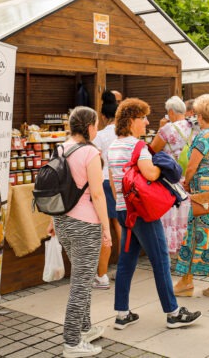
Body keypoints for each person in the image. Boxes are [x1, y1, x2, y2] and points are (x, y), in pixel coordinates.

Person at [108, 98, 201, 330]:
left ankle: (122, 313)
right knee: (160, 260)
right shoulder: (137, 146)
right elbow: (150, 175)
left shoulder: (112, 146)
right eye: (143, 118)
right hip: (142, 213)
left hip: (123, 210)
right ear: (131, 121)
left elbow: (112, 182)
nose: (147, 122)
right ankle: (173, 313)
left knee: (126, 262)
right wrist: (164, 163)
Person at [47, 107, 112, 358]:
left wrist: (54, 219)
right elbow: (97, 194)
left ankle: (84, 328)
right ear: (89, 127)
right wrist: (106, 227)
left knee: (81, 278)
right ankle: (72, 342)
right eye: (95, 124)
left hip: (64, 223)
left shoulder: (61, 148)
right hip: (86, 224)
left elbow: (57, 188)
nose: (97, 128)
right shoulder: (90, 152)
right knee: (82, 285)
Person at [174, 94, 209, 298]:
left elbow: (191, 166)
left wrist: (187, 183)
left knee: (195, 236)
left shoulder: (203, 137)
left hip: (202, 196)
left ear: (200, 115)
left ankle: (186, 282)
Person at [150, 96, 194, 257]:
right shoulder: (193, 126)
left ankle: (171, 250)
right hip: (188, 178)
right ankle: (188, 250)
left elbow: (153, 149)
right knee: (187, 216)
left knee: (172, 216)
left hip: (171, 179)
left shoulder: (167, 129)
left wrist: (161, 127)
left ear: (170, 111)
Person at [91, 91, 122, 289]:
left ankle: (101, 275)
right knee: (121, 227)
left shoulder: (100, 136)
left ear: (102, 117)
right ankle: (124, 266)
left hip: (103, 182)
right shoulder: (124, 134)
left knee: (104, 230)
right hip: (120, 181)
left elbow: (94, 160)